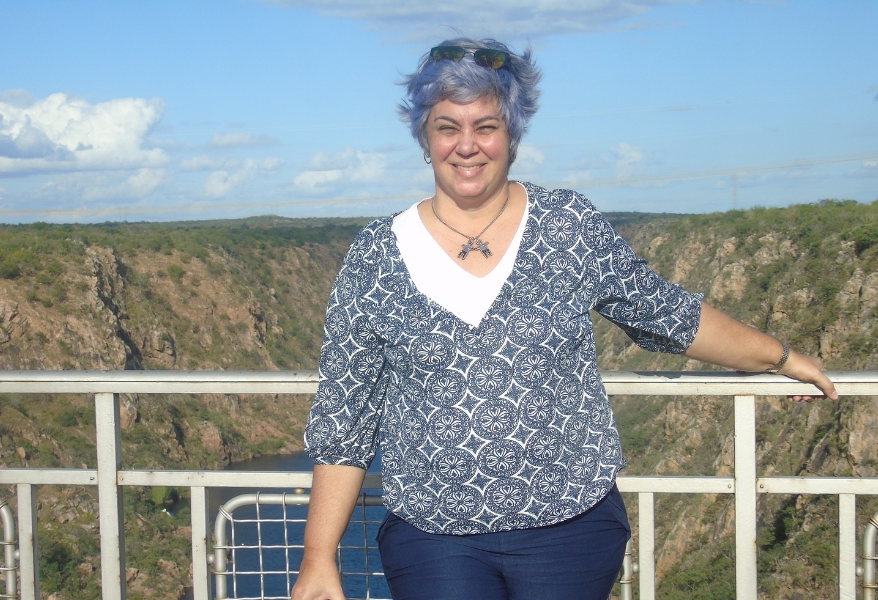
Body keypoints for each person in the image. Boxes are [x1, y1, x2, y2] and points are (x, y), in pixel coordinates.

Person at [291, 38, 837, 600]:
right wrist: (318, 558)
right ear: (424, 139)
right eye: (447, 127)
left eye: (487, 126)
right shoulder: (377, 255)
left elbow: (666, 314)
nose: (467, 146)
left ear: (513, 134)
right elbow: (345, 417)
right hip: (435, 538)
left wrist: (784, 359)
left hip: (570, 530)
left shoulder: (568, 227)